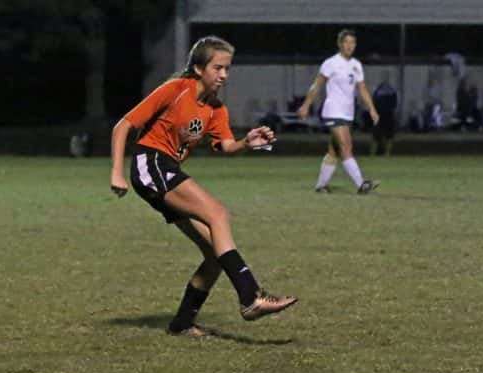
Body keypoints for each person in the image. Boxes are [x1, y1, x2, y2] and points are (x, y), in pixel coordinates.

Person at [109, 36, 297, 338]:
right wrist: (116, 172)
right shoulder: (175, 90)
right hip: (152, 164)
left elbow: (223, 146)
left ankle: (182, 322)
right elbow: (123, 126)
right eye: (218, 68)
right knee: (218, 214)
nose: (224, 75)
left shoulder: (215, 109)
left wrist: (246, 143)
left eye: (227, 69)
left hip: (168, 170)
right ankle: (251, 297)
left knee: (214, 253)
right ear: (198, 68)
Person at [297, 29, 380, 194]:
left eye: (353, 43)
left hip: (347, 113)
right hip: (333, 111)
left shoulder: (356, 65)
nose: (350, 46)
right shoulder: (331, 63)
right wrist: (306, 105)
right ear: (340, 44)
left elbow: (362, 88)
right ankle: (361, 184)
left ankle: (321, 186)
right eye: (346, 42)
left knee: (334, 151)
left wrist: (372, 108)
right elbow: (317, 85)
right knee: (346, 146)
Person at [370, 71, 398, 156]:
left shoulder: (378, 89)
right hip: (386, 114)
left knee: (379, 135)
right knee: (385, 135)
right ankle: (385, 153)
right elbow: (395, 102)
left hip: (383, 114)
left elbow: (374, 101)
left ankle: (377, 154)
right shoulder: (391, 89)